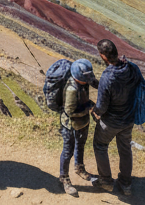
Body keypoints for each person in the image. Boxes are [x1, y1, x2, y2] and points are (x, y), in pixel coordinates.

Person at [89, 38, 141, 196]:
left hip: (111, 122)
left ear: (103, 56)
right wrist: (98, 84)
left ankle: (105, 181)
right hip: (128, 119)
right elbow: (121, 87)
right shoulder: (130, 67)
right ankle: (126, 184)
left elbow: (102, 106)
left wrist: (94, 110)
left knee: (100, 145)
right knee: (125, 149)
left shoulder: (107, 77)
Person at [58, 58, 96, 196]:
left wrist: (90, 105)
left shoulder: (83, 83)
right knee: (68, 151)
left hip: (82, 122)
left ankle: (79, 168)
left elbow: (84, 100)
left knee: (80, 145)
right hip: (70, 125)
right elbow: (70, 111)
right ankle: (64, 178)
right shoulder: (71, 90)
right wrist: (89, 108)